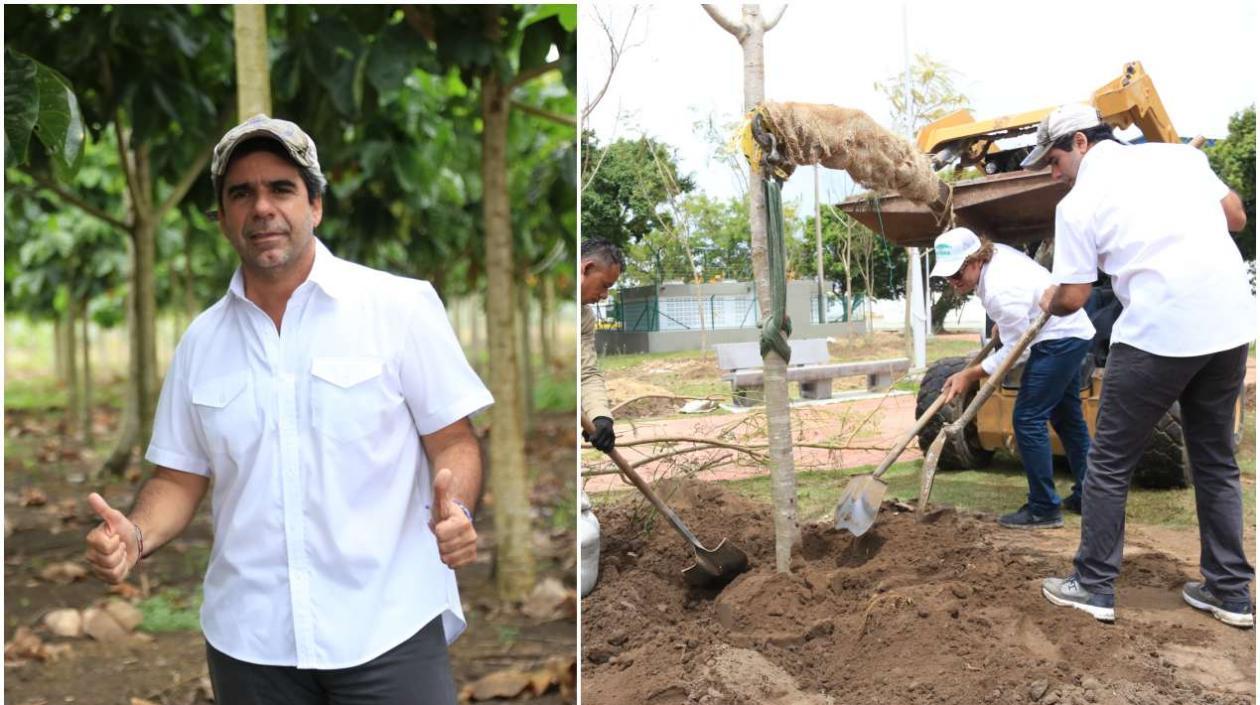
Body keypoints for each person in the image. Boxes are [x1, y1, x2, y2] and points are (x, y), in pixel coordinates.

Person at [83, 114, 495, 703]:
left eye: (281, 188)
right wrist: (136, 535)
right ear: (222, 217)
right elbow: (178, 476)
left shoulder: (398, 307)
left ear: (315, 206)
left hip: (387, 623)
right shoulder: (201, 343)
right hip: (251, 643)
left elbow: (453, 438)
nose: (262, 208)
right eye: (241, 193)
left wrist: (456, 510)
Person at [1028, 103, 1254, 627]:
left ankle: (1092, 584)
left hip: (1159, 332)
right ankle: (1229, 592)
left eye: (1055, 158)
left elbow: (1077, 294)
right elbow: (1236, 217)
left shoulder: (1079, 203)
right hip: (1228, 327)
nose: (1052, 171)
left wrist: (1049, 300)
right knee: (1216, 462)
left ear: (1082, 142)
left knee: (1109, 464)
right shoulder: (1179, 159)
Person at [930, 227, 1095, 529]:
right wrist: (1005, 329)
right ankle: (1091, 497)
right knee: (1067, 418)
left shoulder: (999, 291)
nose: (953, 282)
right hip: (1071, 333)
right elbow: (1019, 323)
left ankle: (1043, 508)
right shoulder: (997, 258)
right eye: (948, 276)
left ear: (975, 260)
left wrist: (970, 373)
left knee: (1027, 418)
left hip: (1057, 340)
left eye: (957, 273)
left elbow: (1018, 351)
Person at [580, 238, 624, 453]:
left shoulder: (585, 317)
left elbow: (586, 373)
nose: (605, 295)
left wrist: (600, 417)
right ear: (587, 268)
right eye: (605, 285)